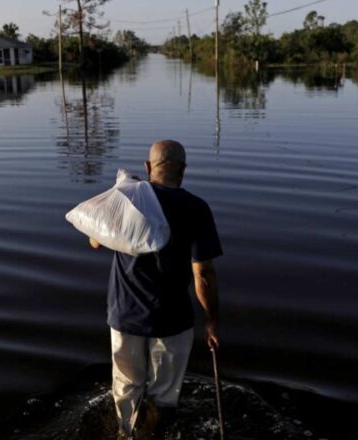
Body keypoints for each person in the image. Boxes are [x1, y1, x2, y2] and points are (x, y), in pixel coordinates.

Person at [89, 140, 222, 439]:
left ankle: (125, 434)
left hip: (124, 316)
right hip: (172, 320)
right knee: (163, 395)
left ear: (149, 168)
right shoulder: (197, 208)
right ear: (183, 170)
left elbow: (95, 240)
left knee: (126, 389)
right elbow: (203, 273)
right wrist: (211, 320)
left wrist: (118, 200)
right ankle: (153, 432)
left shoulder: (129, 199)